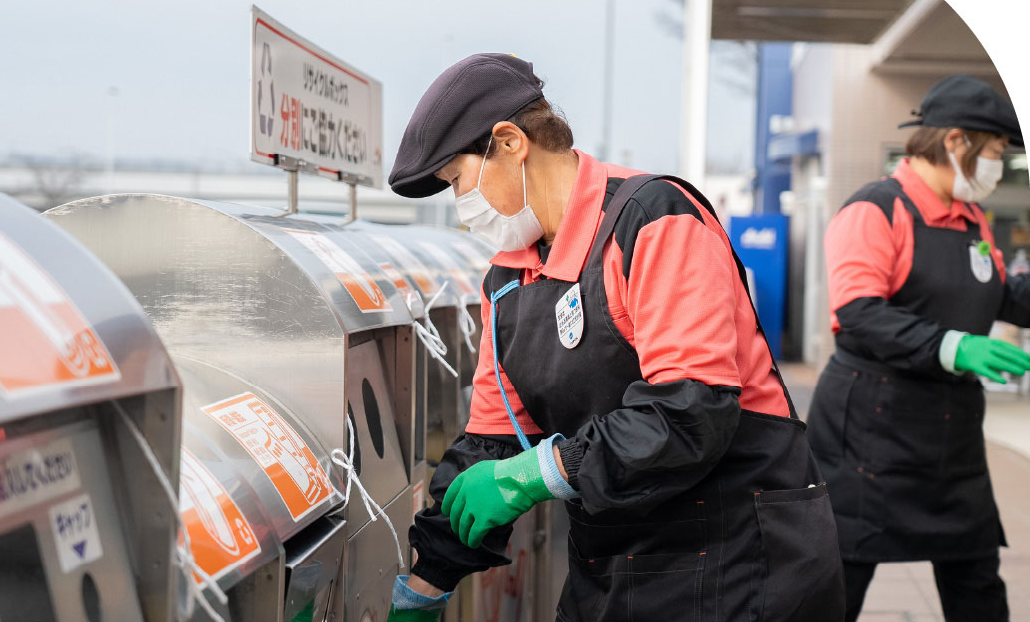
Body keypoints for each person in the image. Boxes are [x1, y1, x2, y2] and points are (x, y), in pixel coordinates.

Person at [385, 53, 844, 622]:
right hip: (617, 557)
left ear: (509, 143)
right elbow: (494, 441)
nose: (461, 209)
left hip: (736, 556)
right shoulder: (509, 281)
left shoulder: (653, 220)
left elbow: (691, 412)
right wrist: (428, 581)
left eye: (458, 180)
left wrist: (541, 472)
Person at [805, 74, 1030, 622]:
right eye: (996, 151)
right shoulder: (877, 209)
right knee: (837, 583)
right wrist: (955, 346)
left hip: (950, 437)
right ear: (956, 142)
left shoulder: (971, 219)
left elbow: (1001, 296)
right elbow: (859, 314)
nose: (998, 164)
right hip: (870, 436)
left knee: (976, 581)